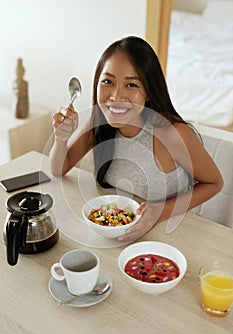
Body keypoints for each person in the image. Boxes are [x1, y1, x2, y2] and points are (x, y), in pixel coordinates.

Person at [49, 36, 223, 241]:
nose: (115, 96)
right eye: (108, 82)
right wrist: (61, 139)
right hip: (120, 229)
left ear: (148, 92)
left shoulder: (170, 133)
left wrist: (160, 212)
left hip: (173, 231)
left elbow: (214, 183)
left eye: (131, 85)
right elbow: (58, 169)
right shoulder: (99, 121)